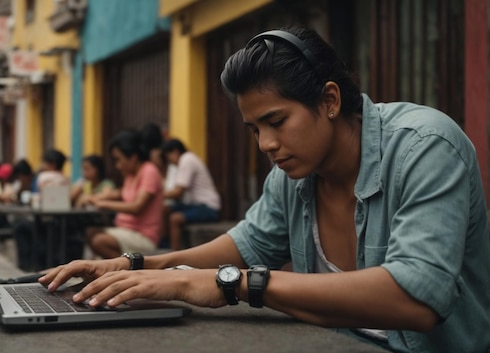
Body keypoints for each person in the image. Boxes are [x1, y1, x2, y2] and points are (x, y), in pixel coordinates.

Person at [39, 27, 490, 353]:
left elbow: (416, 298)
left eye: (276, 122)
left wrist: (233, 285)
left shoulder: (425, 147)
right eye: (255, 129)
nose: (267, 144)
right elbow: (244, 246)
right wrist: (136, 266)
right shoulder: (294, 176)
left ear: (330, 101)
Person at [83, 129, 164, 258]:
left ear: (133, 157)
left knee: (99, 241)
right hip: (125, 231)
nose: (118, 165)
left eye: (118, 160)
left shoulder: (149, 171)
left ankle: (127, 268)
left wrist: (103, 203)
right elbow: (122, 193)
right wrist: (96, 197)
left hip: (142, 235)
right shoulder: (131, 175)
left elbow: (137, 207)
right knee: (90, 232)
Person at [161, 138, 221, 250]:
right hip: (198, 205)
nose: (170, 162)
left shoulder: (186, 160)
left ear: (175, 151)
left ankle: (174, 253)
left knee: (175, 219)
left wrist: (157, 194)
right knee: (166, 209)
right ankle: (164, 243)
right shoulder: (189, 158)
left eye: (168, 157)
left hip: (209, 207)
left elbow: (178, 192)